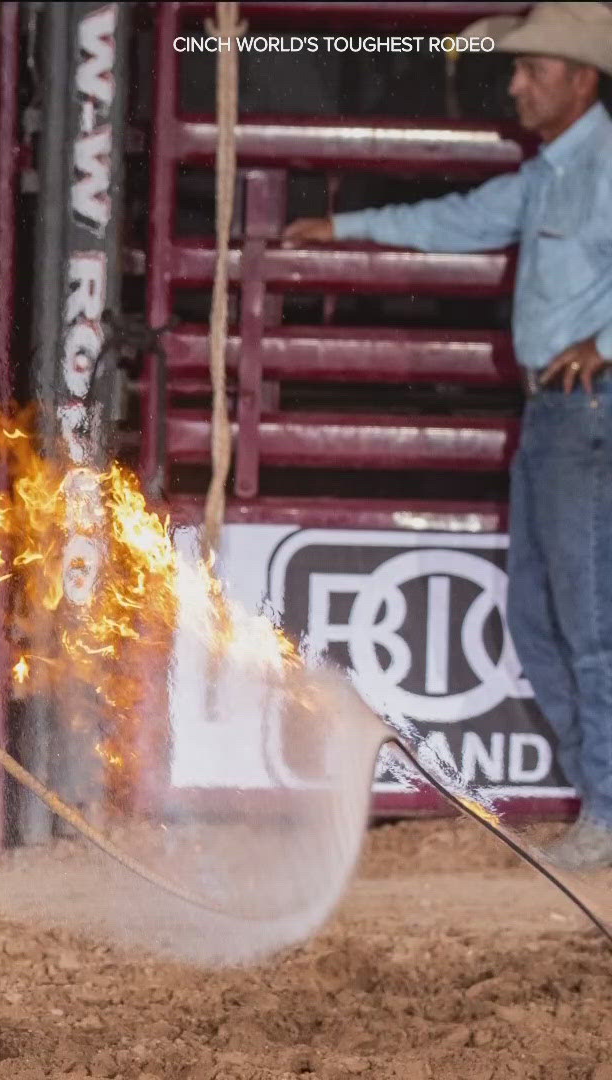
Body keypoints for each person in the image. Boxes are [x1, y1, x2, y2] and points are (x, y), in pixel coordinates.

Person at [282, 2, 612, 870]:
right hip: (560, 412)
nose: (516, 84)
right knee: (544, 621)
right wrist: (346, 227)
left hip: (591, 408)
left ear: (580, 79)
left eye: (532, 70)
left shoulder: (603, 166)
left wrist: (604, 344)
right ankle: (601, 803)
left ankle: (609, 811)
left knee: (583, 622)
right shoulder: (551, 174)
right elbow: (461, 218)